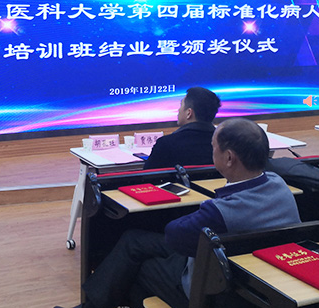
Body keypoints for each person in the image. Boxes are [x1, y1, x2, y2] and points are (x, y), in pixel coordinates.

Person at [60, 118, 300, 308]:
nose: (211, 152)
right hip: (253, 281)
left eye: (213, 147)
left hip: (213, 291)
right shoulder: (279, 184)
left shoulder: (220, 213)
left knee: (135, 270)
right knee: (133, 241)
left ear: (228, 158)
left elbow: (175, 235)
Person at [143, 87, 221, 169]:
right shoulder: (223, 142)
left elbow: (146, 174)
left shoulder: (166, 144)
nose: (179, 110)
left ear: (189, 113)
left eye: (181, 105)